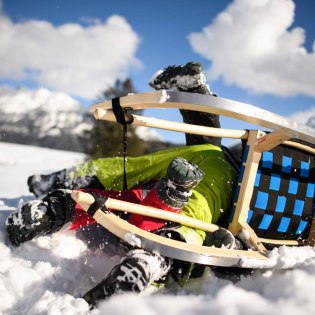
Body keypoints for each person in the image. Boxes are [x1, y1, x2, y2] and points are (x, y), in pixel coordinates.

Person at [5, 62, 240, 307]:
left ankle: (58, 199)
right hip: (241, 196)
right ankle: (155, 256)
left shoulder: (213, 156)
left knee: (137, 179)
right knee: (180, 209)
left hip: (225, 175)